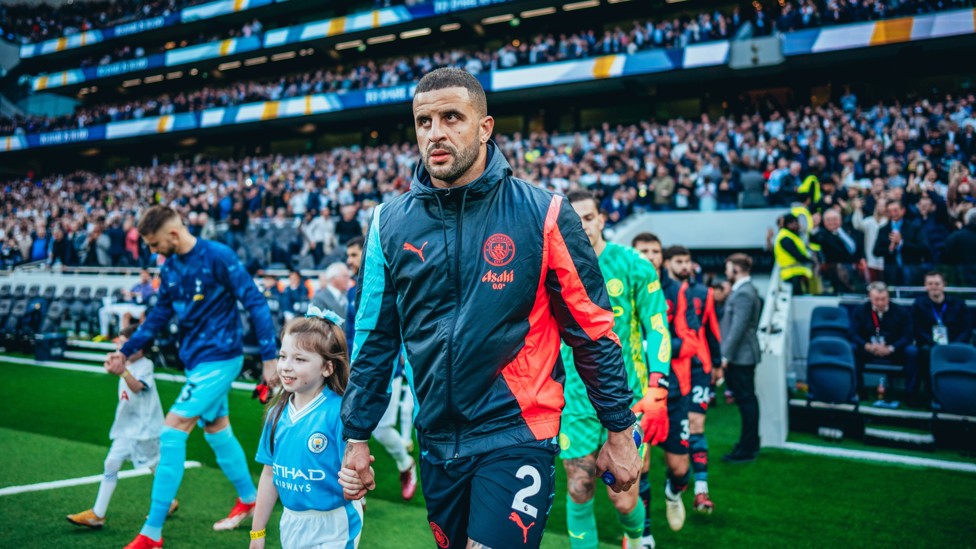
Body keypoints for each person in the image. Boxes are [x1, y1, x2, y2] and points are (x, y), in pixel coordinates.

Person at [340, 68, 659, 549]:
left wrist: (618, 428)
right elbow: (374, 336)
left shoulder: (544, 212)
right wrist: (357, 434)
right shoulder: (388, 222)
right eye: (424, 122)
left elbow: (592, 330)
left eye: (452, 117)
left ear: (485, 128)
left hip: (518, 430)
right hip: (438, 438)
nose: (436, 133)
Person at [104, 205, 279, 549]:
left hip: (222, 358)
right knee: (216, 429)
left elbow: (255, 302)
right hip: (196, 363)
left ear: (172, 234)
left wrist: (270, 357)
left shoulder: (217, 256)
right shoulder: (170, 268)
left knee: (171, 432)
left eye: (154, 245)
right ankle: (249, 498)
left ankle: (152, 533)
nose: (152, 252)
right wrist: (125, 353)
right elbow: (156, 319)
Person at [561, 190, 671, 549]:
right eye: (574, 219)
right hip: (575, 403)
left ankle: (638, 539)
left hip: (628, 402)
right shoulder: (554, 270)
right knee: (579, 490)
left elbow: (656, 326)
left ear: (603, 220)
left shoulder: (634, 264)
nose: (582, 225)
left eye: (589, 217)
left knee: (622, 498)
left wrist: (658, 385)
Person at [249, 311, 364, 549]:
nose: (286, 367)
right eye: (283, 356)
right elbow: (269, 475)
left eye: (299, 359)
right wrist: (256, 534)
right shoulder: (275, 414)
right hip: (291, 521)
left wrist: (360, 481)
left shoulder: (339, 412)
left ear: (327, 368)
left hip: (335, 522)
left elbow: (357, 468)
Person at [67, 323, 177, 529]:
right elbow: (112, 366)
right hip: (126, 427)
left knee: (155, 465)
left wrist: (122, 372)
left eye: (125, 345)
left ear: (140, 348)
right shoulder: (125, 360)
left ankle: (169, 501)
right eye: (120, 344)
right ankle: (97, 514)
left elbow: (137, 387)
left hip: (146, 429)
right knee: (111, 463)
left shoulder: (145, 365)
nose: (120, 348)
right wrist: (112, 365)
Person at [668, 246, 720, 514]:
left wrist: (718, 364)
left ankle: (701, 490)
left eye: (687, 261)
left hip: (698, 368)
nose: (684, 265)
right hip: (671, 371)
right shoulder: (659, 292)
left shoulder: (704, 293)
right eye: (679, 261)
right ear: (668, 263)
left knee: (697, 425)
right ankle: (675, 480)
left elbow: (712, 330)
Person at [718, 254, 763, 463]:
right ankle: (749, 444)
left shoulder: (744, 293)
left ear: (736, 269)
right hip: (741, 355)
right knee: (747, 401)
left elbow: (738, 328)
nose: (726, 272)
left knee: (746, 401)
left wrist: (725, 355)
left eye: (728, 268)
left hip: (741, 357)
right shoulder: (744, 290)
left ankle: (747, 449)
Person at [911, 272, 972, 402]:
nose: (934, 287)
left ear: (944, 285)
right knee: (924, 352)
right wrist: (936, 345)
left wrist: (953, 344)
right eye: (930, 284)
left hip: (956, 344)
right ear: (925, 286)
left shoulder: (958, 304)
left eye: (937, 283)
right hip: (930, 346)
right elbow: (918, 330)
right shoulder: (918, 305)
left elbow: (966, 329)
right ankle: (932, 395)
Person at [849, 282, 917, 392]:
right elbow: (853, 333)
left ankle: (911, 394)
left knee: (912, 352)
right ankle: (858, 391)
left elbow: (908, 336)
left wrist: (891, 348)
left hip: (894, 349)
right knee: (852, 349)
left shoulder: (901, 311)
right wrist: (867, 346)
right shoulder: (860, 311)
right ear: (869, 297)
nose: (880, 303)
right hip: (869, 349)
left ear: (888, 297)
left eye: (884, 299)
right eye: (876, 299)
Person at [873, 200, 929, 286]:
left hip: (911, 270)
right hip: (891, 272)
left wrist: (902, 243)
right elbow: (876, 251)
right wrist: (890, 248)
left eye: (895, 210)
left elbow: (924, 248)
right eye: (890, 211)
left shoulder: (914, 227)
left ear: (903, 210)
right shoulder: (883, 230)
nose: (893, 213)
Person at [812, 209, 865, 294]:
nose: (832, 222)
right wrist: (814, 226)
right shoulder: (822, 235)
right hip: (838, 271)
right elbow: (815, 238)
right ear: (824, 222)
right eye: (828, 220)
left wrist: (861, 258)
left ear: (840, 219)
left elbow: (858, 244)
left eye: (834, 219)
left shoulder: (849, 229)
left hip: (856, 268)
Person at [98, 269, 157, 339]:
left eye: (145, 275)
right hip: (130, 305)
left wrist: (135, 294)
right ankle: (105, 334)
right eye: (142, 275)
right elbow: (129, 295)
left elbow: (146, 298)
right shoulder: (137, 286)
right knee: (103, 310)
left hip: (141, 307)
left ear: (148, 276)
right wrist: (126, 294)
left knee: (124, 313)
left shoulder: (150, 286)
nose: (143, 276)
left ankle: (122, 337)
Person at [774, 213, 813, 295]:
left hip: (798, 273)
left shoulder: (794, 235)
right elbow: (797, 255)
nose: (796, 225)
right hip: (792, 275)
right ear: (787, 224)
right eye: (792, 223)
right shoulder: (785, 237)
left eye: (796, 222)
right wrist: (811, 261)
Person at [943, 208, 976, 286]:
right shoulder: (957, 236)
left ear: (966, 220)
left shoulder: (956, 236)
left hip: (960, 275)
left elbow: (946, 256)